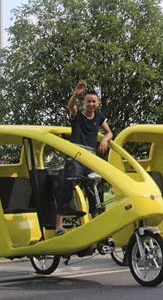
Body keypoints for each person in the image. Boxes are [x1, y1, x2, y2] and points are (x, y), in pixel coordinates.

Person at [55, 82, 113, 235]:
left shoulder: (99, 116)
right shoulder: (78, 116)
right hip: (76, 155)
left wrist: (105, 140)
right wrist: (75, 94)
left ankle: (95, 222)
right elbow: (70, 106)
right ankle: (59, 225)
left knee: (95, 187)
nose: (91, 104)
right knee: (68, 184)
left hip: (90, 157)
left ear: (98, 103)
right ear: (84, 103)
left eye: (94, 101)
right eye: (88, 101)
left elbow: (109, 132)